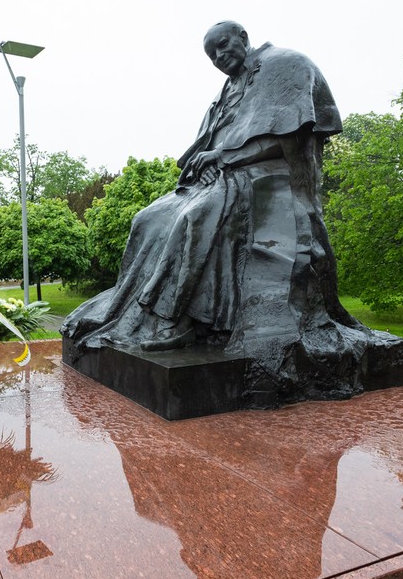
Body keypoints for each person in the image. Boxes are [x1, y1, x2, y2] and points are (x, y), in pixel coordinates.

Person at [62, 20, 365, 356]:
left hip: (267, 177)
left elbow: (289, 140)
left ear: (243, 38)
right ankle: (136, 313)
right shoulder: (224, 94)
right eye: (211, 54)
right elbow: (203, 150)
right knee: (148, 218)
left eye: (222, 45)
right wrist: (203, 167)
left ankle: (177, 321)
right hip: (221, 175)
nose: (218, 56)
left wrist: (222, 158)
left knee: (195, 217)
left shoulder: (285, 65)